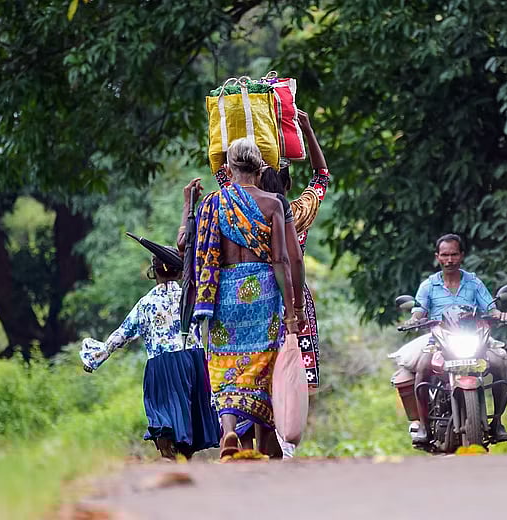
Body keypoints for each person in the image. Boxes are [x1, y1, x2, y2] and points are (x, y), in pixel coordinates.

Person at [191, 137, 302, 458]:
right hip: (262, 294)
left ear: (227, 169)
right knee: (262, 366)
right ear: (261, 168)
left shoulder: (212, 204)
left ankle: (229, 432)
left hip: (222, 293)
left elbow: (197, 253)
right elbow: (282, 260)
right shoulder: (273, 204)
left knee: (223, 364)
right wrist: (292, 311)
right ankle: (264, 438)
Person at [79, 246, 220, 461]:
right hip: (193, 361)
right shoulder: (191, 296)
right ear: (180, 271)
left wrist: (96, 358)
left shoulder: (146, 304)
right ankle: (184, 461)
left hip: (162, 365)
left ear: (154, 272)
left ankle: (170, 457)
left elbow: (121, 335)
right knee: (189, 418)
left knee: (162, 418)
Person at [404, 234, 507, 444]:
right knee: (422, 368)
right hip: (439, 340)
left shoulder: (474, 282)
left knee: (499, 363)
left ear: (462, 256)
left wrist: (500, 315)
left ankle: (497, 422)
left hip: (473, 339)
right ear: (437, 257)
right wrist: (414, 318)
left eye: (454, 254)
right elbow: (419, 310)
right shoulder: (429, 285)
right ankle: (424, 427)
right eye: (445, 255)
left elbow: (490, 308)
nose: (450, 260)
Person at [257, 109, 330, 391]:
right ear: (287, 184)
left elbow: (224, 174)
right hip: (295, 296)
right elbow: (321, 176)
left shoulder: (248, 211)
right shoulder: (300, 211)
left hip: (256, 292)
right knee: (294, 373)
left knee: (257, 370)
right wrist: (307, 130)